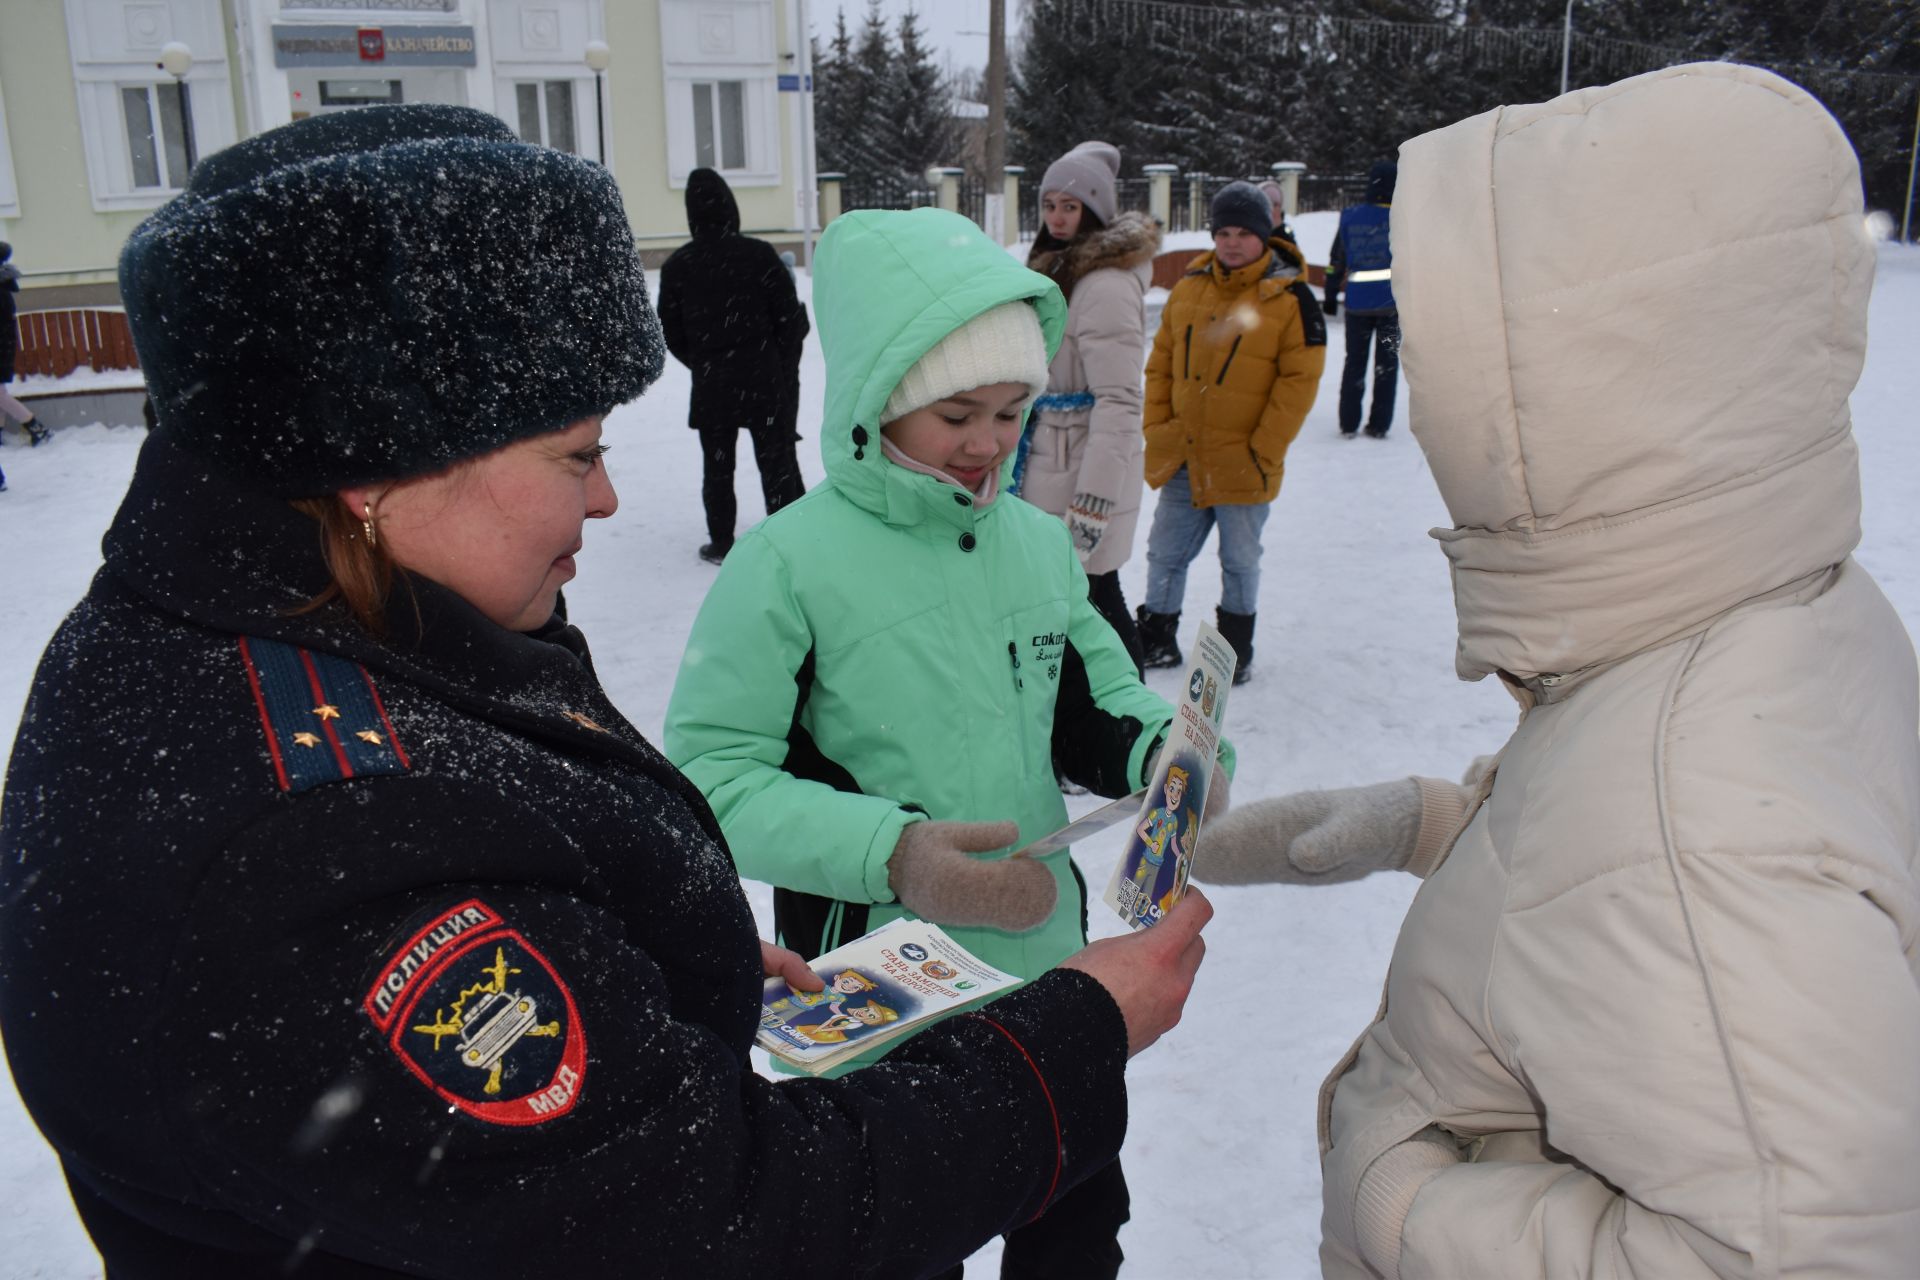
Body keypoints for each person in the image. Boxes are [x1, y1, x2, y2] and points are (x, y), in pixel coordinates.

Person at [0, 105, 1215, 1280]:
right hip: (912, 1082)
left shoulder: (322, 628)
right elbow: (716, 1216)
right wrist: (1071, 1033)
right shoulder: (311, 837)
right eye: (577, 453)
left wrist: (630, 966)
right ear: (376, 460)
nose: (608, 503)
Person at [1199, 64, 1920, 1278]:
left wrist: (1394, 1192)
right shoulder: (1778, 601)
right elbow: (1676, 843)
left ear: (1578, 396)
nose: (1431, 412)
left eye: (1460, 365)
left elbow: (1806, 1252)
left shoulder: (1689, 839)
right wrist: (1443, 822)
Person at [664, 206, 1231, 1280]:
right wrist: (901, 854)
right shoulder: (786, 564)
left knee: (1074, 1235)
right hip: (885, 1008)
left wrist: (1171, 749)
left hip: (1047, 977)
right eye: (957, 412)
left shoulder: (1034, 544)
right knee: (900, 1248)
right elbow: (710, 778)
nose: (988, 443)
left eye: (1013, 411)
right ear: (879, 402)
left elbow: (1095, 698)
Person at [1137, 180, 1327, 684]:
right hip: (1184, 453)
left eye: (1244, 232)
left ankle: (1232, 654)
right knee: (1164, 553)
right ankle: (1156, 638)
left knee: (1239, 562)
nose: (1232, 242)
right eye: (1223, 232)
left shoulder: (1292, 299)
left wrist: (1262, 449)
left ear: (1265, 234)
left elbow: (1299, 384)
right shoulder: (1190, 288)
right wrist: (1158, 428)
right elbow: (1159, 366)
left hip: (1245, 461)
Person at [1016, 140, 1161, 671]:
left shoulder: (1104, 285)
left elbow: (1121, 402)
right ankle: (1092, 721)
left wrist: (1094, 501)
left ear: (1094, 211)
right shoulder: (1058, 269)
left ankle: (1132, 720)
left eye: (1069, 206)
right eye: (1049, 204)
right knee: (1071, 605)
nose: (1056, 217)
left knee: (1097, 598)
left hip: (1084, 470)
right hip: (1052, 456)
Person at [656, 167, 810, 564]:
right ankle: (790, 536)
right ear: (731, 208)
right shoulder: (758, 255)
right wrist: (774, 358)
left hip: (713, 385)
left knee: (718, 465)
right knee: (776, 459)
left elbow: (670, 333)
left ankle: (721, 541)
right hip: (763, 379)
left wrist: (705, 362)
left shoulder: (678, 266)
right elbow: (789, 320)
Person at [1323, 161, 1399, 439]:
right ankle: (1379, 425)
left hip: (1357, 304)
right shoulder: (1403, 218)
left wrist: (1331, 294)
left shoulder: (1351, 216)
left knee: (1354, 362)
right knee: (1387, 365)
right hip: (1392, 306)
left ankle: (1348, 423)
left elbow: (1336, 261)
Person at [0, 240, 52, 454]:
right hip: (4, 346)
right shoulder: (3, 288)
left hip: (1, 348)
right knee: (0, 392)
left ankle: (36, 427)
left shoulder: (1, 292)